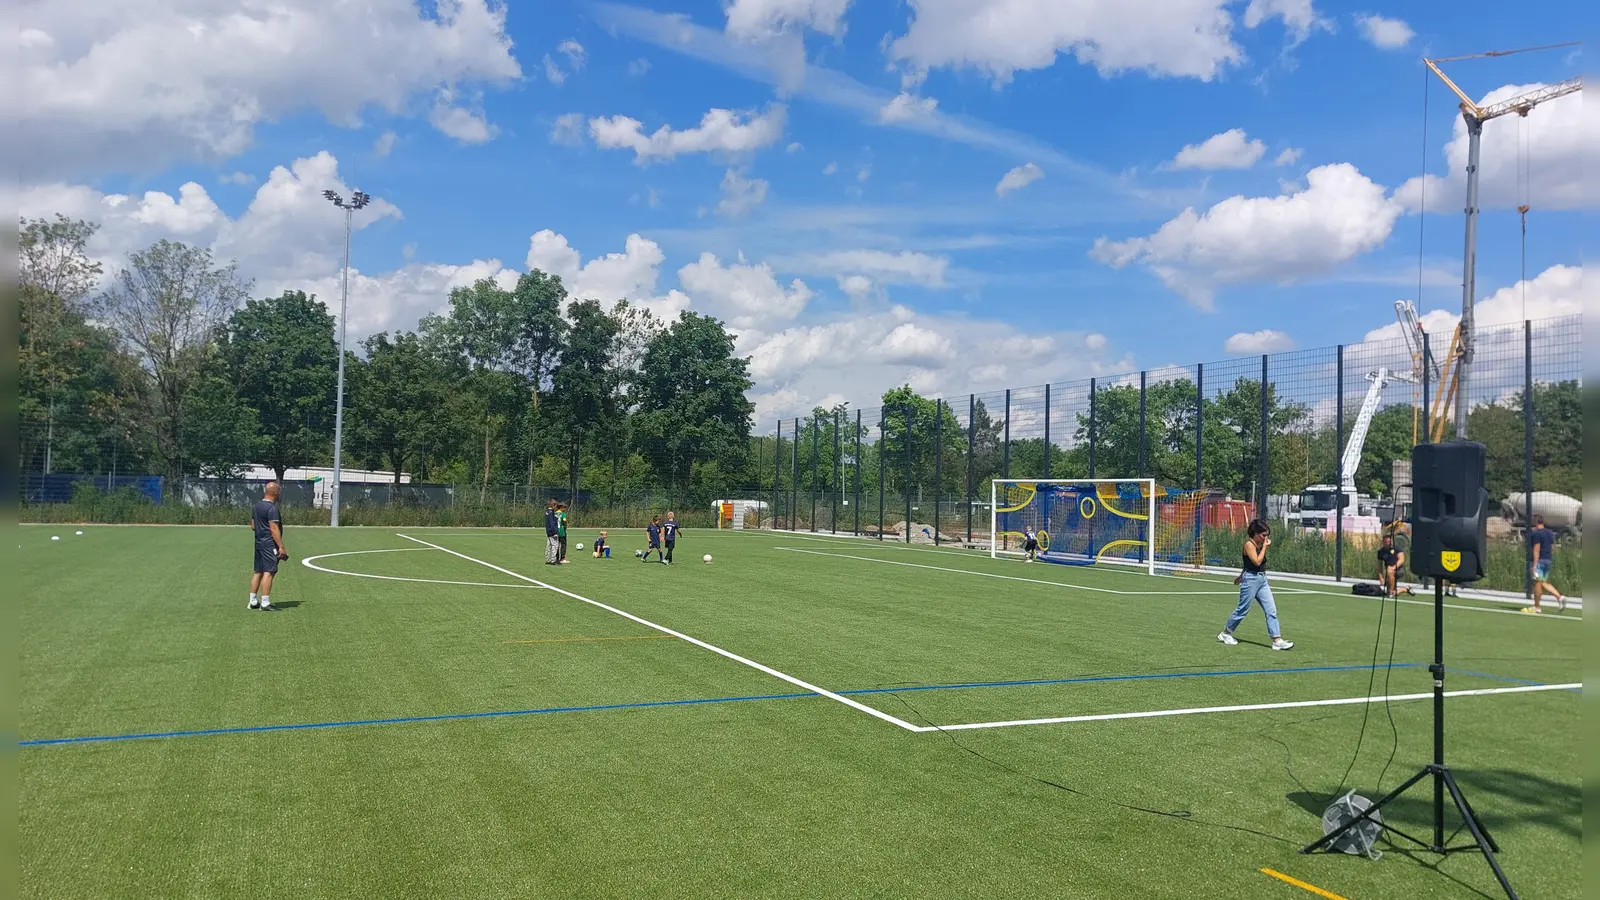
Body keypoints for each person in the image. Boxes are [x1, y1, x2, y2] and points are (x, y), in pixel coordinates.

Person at [1218, 519, 1293, 650]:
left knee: (1271, 609)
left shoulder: (1259, 544)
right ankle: (1226, 633)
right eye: (1264, 535)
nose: (1266, 538)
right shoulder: (1249, 544)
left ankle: (1276, 639)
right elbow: (1256, 562)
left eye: (1267, 535)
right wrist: (1264, 547)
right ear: (1256, 534)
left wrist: (1240, 575)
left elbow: (1253, 564)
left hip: (1262, 579)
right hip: (1251, 580)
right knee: (1243, 609)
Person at [248, 481, 288, 611]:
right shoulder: (272, 508)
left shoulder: (256, 506)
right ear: (276, 492)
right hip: (269, 543)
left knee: (258, 571)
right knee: (269, 571)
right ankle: (265, 602)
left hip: (259, 542)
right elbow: (274, 528)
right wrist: (281, 546)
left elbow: (253, 526)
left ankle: (253, 601)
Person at [1528, 515, 1565, 613]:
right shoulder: (1549, 533)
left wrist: (1535, 565)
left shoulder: (1536, 534)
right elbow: (1553, 548)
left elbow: (1536, 550)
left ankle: (1537, 606)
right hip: (1548, 560)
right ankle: (1560, 597)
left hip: (1539, 561)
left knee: (1537, 584)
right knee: (1543, 582)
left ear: (1535, 522)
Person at [1376, 534, 1407, 598]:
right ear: (1383, 542)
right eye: (1386, 542)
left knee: (1390, 570)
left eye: (1390, 542)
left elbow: (1401, 560)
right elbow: (1379, 565)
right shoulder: (1381, 552)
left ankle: (1391, 592)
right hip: (1389, 572)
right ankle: (1404, 589)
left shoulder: (1397, 549)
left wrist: (1393, 567)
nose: (1388, 543)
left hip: (1399, 570)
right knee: (1388, 593)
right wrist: (1381, 577)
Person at [543, 499, 560, 565]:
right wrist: (555, 532)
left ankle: (547, 559)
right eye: (556, 506)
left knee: (549, 546)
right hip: (552, 533)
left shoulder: (547, 512)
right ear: (553, 505)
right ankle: (553, 560)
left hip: (548, 532)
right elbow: (552, 523)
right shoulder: (551, 513)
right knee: (555, 546)